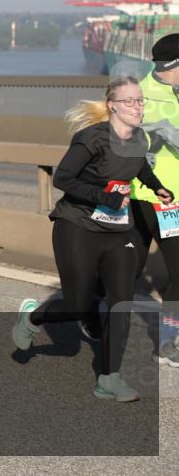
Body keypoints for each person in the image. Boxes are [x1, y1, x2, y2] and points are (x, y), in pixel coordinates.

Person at [12, 76, 173, 401]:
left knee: (120, 301)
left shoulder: (139, 139)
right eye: (130, 101)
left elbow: (140, 168)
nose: (138, 107)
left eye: (140, 101)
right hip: (77, 226)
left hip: (117, 231)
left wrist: (157, 187)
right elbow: (63, 178)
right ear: (112, 106)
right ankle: (33, 316)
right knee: (79, 305)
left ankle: (109, 378)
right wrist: (104, 196)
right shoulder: (91, 139)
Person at [121, 34, 179, 368]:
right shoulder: (142, 97)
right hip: (157, 199)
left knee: (125, 270)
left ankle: (86, 310)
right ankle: (169, 342)